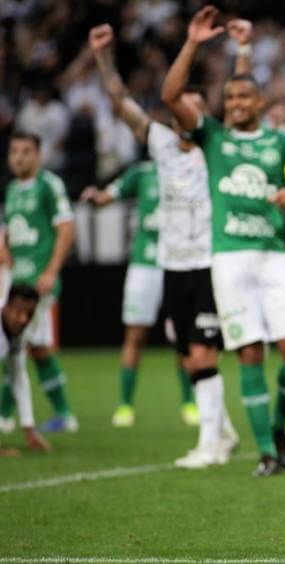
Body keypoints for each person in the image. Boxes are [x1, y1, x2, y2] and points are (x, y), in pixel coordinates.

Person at [161, 6, 285, 476]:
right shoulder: (212, 138)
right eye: (228, 97)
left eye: (243, 97)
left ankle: (278, 425)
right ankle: (268, 452)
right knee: (250, 352)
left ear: (260, 103)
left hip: (272, 256)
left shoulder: (281, 142)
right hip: (228, 257)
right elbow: (171, 94)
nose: (234, 103)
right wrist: (193, 43)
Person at [88, 23, 238, 468]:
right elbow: (120, 103)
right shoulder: (160, 144)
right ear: (174, 115)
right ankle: (221, 429)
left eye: (197, 110)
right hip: (170, 265)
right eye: (184, 110)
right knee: (188, 356)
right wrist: (102, 56)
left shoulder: (215, 148)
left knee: (202, 351)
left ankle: (210, 443)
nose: (191, 118)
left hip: (208, 263)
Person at [80, 162, 198, 428]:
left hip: (177, 263)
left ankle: (189, 402)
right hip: (144, 264)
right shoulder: (142, 173)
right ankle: (125, 405)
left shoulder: (191, 169)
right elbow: (109, 195)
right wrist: (95, 199)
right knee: (135, 335)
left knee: (181, 335)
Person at [0, 131, 77, 434]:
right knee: (39, 349)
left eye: (26, 151)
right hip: (14, 282)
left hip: (37, 283)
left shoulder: (48, 184)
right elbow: (10, 230)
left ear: (39, 155)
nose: (19, 157)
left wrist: (52, 271)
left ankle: (5, 415)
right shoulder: (12, 189)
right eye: (14, 151)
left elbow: (66, 228)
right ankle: (64, 413)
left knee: (13, 346)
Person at [0, 281, 51, 455]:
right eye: (18, 312)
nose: (23, 319)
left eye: (29, 313)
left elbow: (19, 377)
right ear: (6, 307)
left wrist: (29, 429)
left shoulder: (19, 333)